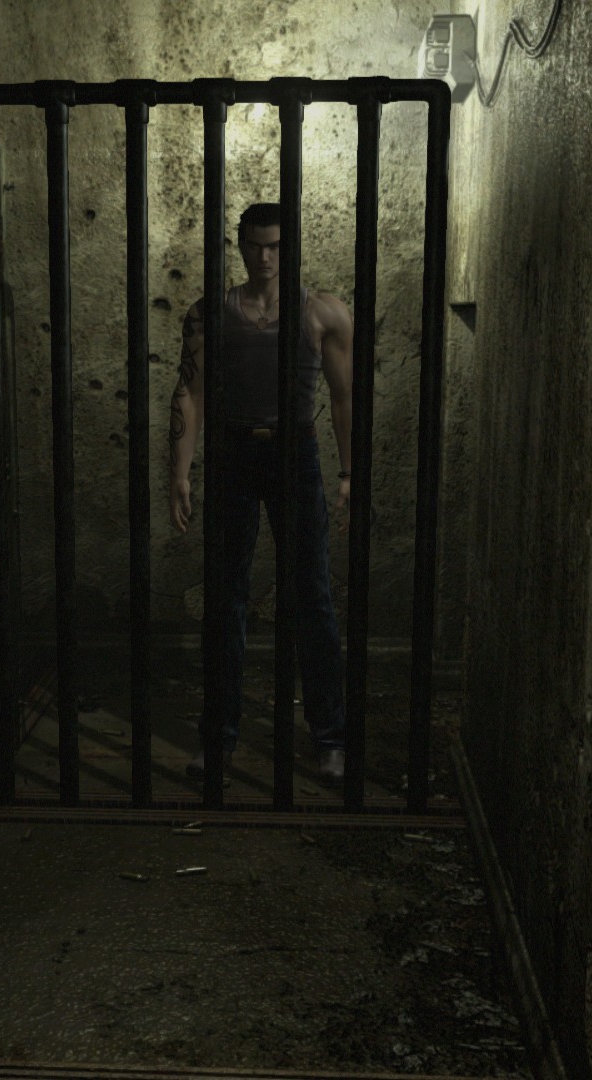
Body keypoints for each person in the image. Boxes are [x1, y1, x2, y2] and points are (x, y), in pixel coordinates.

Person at [167, 202, 354, 783]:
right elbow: (190, 391)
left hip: (294, 454)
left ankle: (330, 738)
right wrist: (180, 472)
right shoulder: (210, 314)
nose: (265, 257)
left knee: (313, 596)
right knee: (225, 597)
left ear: (288, 248)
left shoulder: (322, 313)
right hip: (232, 454)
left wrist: (349, 472)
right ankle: (218, 739)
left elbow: (344, 397)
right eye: (254, 246)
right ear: (241, 246)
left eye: (274, 246)